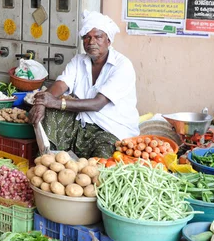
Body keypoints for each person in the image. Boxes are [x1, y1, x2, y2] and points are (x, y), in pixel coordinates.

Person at [29, 10, 139, 159]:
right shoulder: (79, 60)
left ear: (108, 40)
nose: (91, 42)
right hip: (82, 123)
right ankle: (50, 160)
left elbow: (97, 104)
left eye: (98, 37)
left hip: (109, 129)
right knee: (49, 111)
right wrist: (42, 102)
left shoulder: (122, 66)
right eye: (87, 37)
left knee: (100, 164)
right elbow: (61, 85)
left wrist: (56, 102)